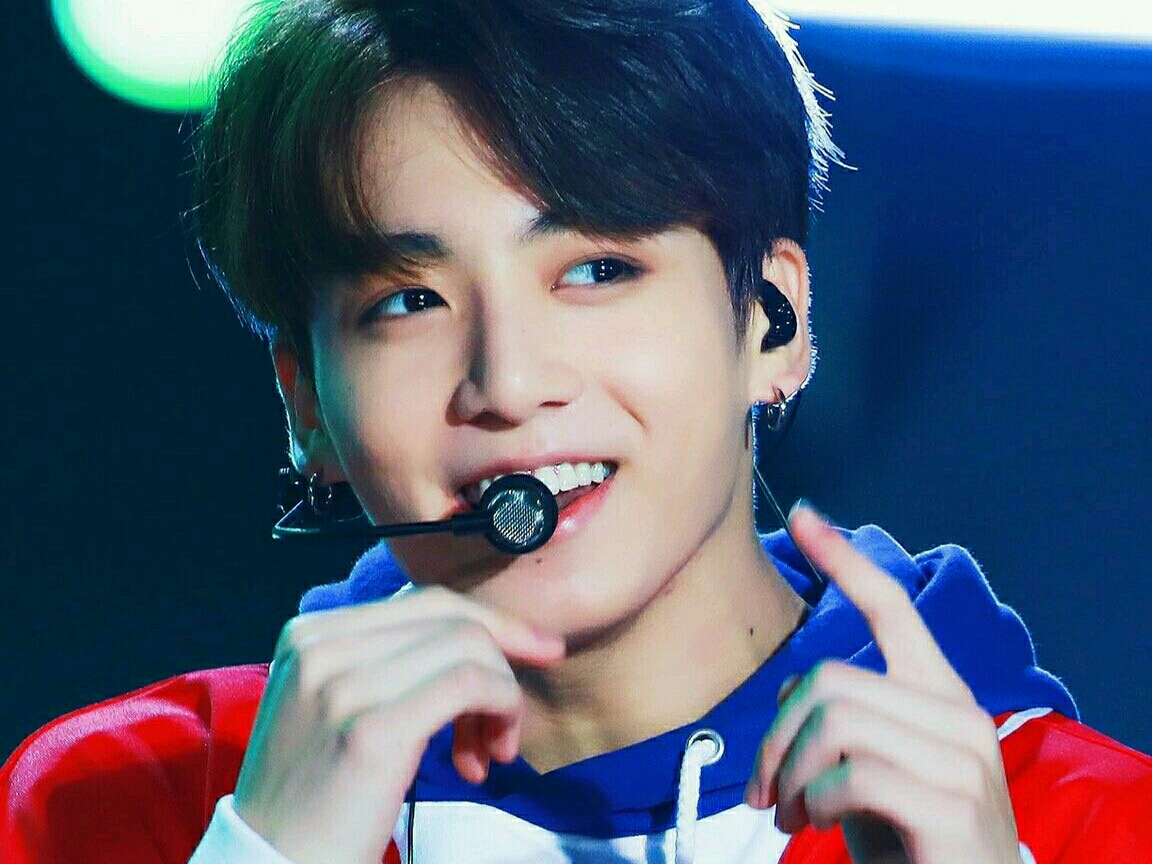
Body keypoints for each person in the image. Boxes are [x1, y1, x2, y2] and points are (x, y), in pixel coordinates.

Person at [3, 0, 1150, 862]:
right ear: (305, 403)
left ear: (772, 320)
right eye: (409, 301)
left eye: (597, 270)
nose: (508, 383)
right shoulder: (120, 805)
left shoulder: (1084, 824)